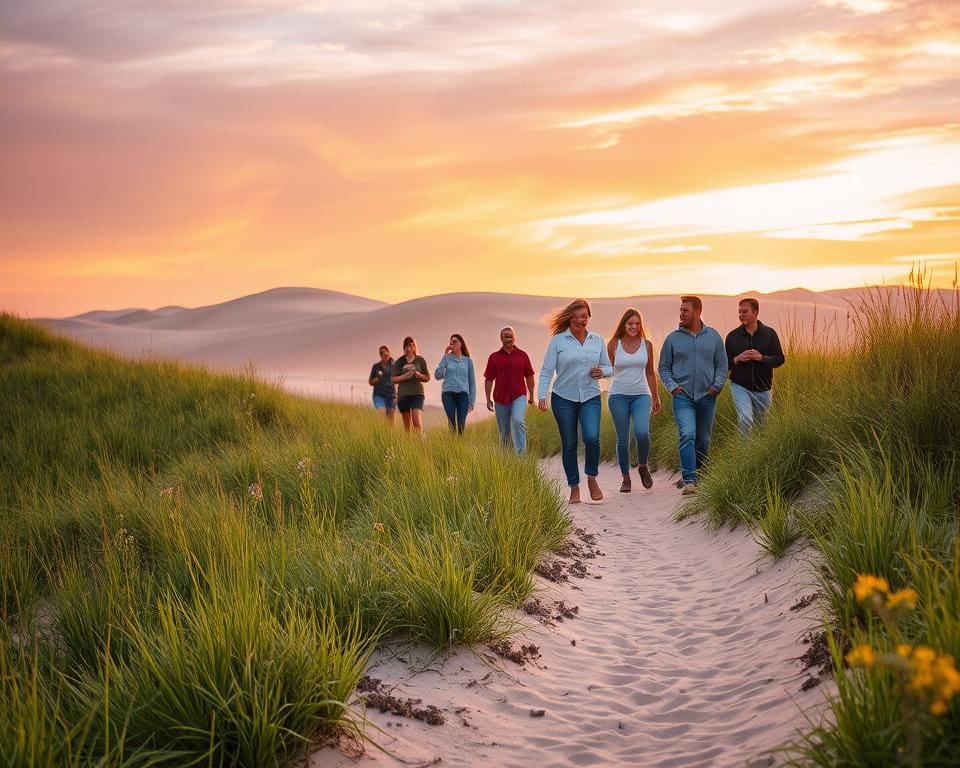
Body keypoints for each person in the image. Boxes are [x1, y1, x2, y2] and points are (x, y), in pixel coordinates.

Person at [537, 299, 612, 504]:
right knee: (569, 443)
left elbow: (609, 367)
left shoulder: (597, 340)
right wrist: (542, 395)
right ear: (570, 317)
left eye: (586, 315)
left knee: (591, 438)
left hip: (590, 396)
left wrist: (602, 371)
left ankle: (592, 478)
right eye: (579, 315)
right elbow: (546, 370)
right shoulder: (558, 341)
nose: (583, 319)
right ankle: (574, 487)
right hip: (563, 398)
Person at [657, 296, 727, 495]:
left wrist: (716, 387)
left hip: (708, 396)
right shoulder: (672, 339)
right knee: (687, 433)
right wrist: (673, 387)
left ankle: (700, 475)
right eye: (680, 310)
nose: (681, 314)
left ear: (697, 312)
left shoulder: (713, 337)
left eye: (685, 310)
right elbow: (663, 367)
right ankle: (689, 480)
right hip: (683, 396)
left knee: (703, 439)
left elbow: (722, 365)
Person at [607, 308, 662, 493]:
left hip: (641, 394)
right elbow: (609, 370)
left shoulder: (647, 345)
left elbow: (649, 373)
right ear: (623, 324)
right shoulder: (614, 344)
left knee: (642, 433)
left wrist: (655, 397)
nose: (634, 327)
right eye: (630, 323)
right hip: (618, 395)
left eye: (637, 324)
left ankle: (643, 466)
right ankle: (626, 479)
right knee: (623, 439)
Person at [725, 297, 785, 434]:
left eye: (745, 312)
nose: (741, 315)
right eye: (739, 312)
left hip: (764, 389)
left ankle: (758, 453)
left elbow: (780, 359)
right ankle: (743, 454)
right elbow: (724, 365)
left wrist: (761, 358)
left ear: (756, 312)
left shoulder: (770, 334)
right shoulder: (732, 337)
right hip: (740, 386)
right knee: (745, 419)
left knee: (761, 427)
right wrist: (737, 359)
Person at [484, 326, 535, 454]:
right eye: (505, 336)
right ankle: (506, 458)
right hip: (501, 398)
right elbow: (489, 379)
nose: (508, 338)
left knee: (518, 420)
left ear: (514, 337)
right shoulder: (494, 357)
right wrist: (488, 399)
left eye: (510, 336)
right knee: (504, 431)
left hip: (519, 395)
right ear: (501, 339)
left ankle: (521, 456)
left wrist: (532, 396)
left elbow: (529, 376)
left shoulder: (523, 356)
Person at [435, 333, 476, 434]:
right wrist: (445, 354)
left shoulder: (468, 361)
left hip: (463, 395)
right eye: (451, 342)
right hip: (448, 393)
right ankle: (452, 444)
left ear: (461, 343)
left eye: (455, 341)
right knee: (452, 422)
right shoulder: (447, 358)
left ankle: (460, 445)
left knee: (461, 424)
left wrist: (472, 400)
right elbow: (438, 375)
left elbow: (472, 382)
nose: (452, 344)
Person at [392, 336, 430, 434]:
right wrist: (404, 377)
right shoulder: (400, 361)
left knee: (416, 418)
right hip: (403, 395)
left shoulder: (420, 360)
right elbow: (392, 379)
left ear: (414, 347)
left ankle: (421, 444)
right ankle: (410, 446)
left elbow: (427, 377)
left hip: (417, 394)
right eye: (406, 346)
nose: (408, 348)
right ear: (404, 347)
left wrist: (419, 375)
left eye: (410, 345)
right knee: (407, 426)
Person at [368, 345, 396, 424]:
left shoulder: (394, 365)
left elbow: (399, 380)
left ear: (389, 353)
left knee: (391, 421)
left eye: (386, 354)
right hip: (379, 395)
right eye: (382, 354)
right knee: (381, 412)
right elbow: (370, 381)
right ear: (380, 355)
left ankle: (389, 436)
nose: (384, 356)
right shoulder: (376, 367)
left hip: (391, 396)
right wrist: (376, 380)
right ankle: (380, 433)